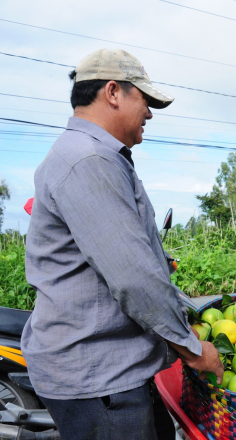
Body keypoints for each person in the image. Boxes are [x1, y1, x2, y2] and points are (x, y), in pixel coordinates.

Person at [22, 49, 224, 439]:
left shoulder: (92, 157)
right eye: (145, 100)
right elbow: (134, 277)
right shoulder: (88, 161)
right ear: (113, 92)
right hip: (99, 380)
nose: (149, 112)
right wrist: (193, 350)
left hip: (107, 375)